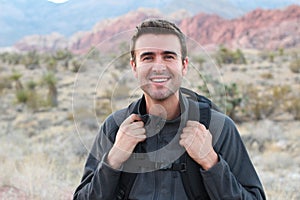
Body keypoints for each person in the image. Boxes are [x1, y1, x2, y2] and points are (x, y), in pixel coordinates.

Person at [73, 19, 266, 200]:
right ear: (134, 67)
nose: (158, 67)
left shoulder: (217, 127)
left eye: (168, 56)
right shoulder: (115, 128)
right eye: (148, 57)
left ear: (184, 65)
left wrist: (211, 162)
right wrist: (113, 159)